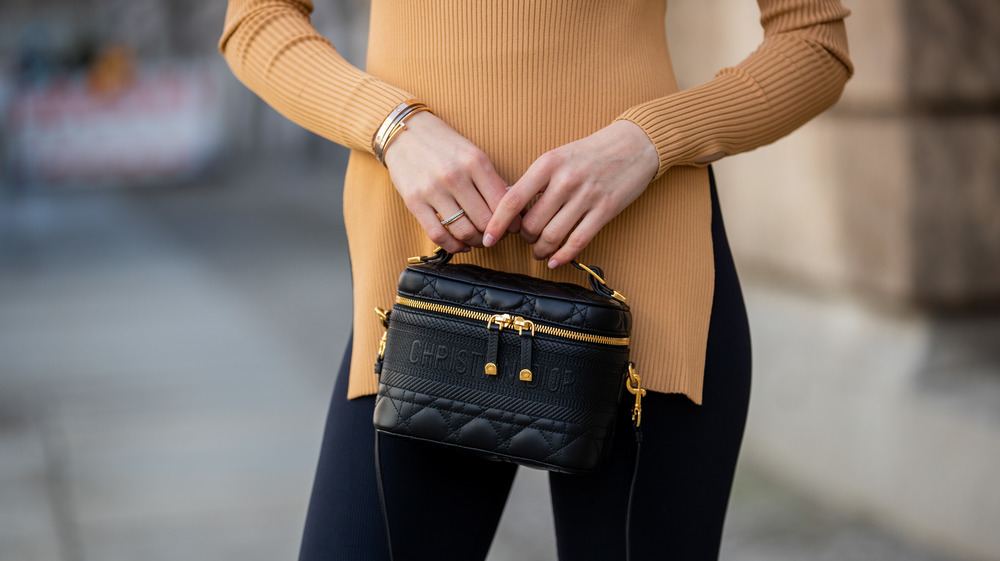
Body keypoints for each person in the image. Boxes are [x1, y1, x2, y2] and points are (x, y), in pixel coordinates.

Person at [219, 1, 852, 559]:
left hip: (644, 296)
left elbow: (813, 40)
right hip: (422, 303)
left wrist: (651, 140)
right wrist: (393, 127)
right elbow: (256, 18)